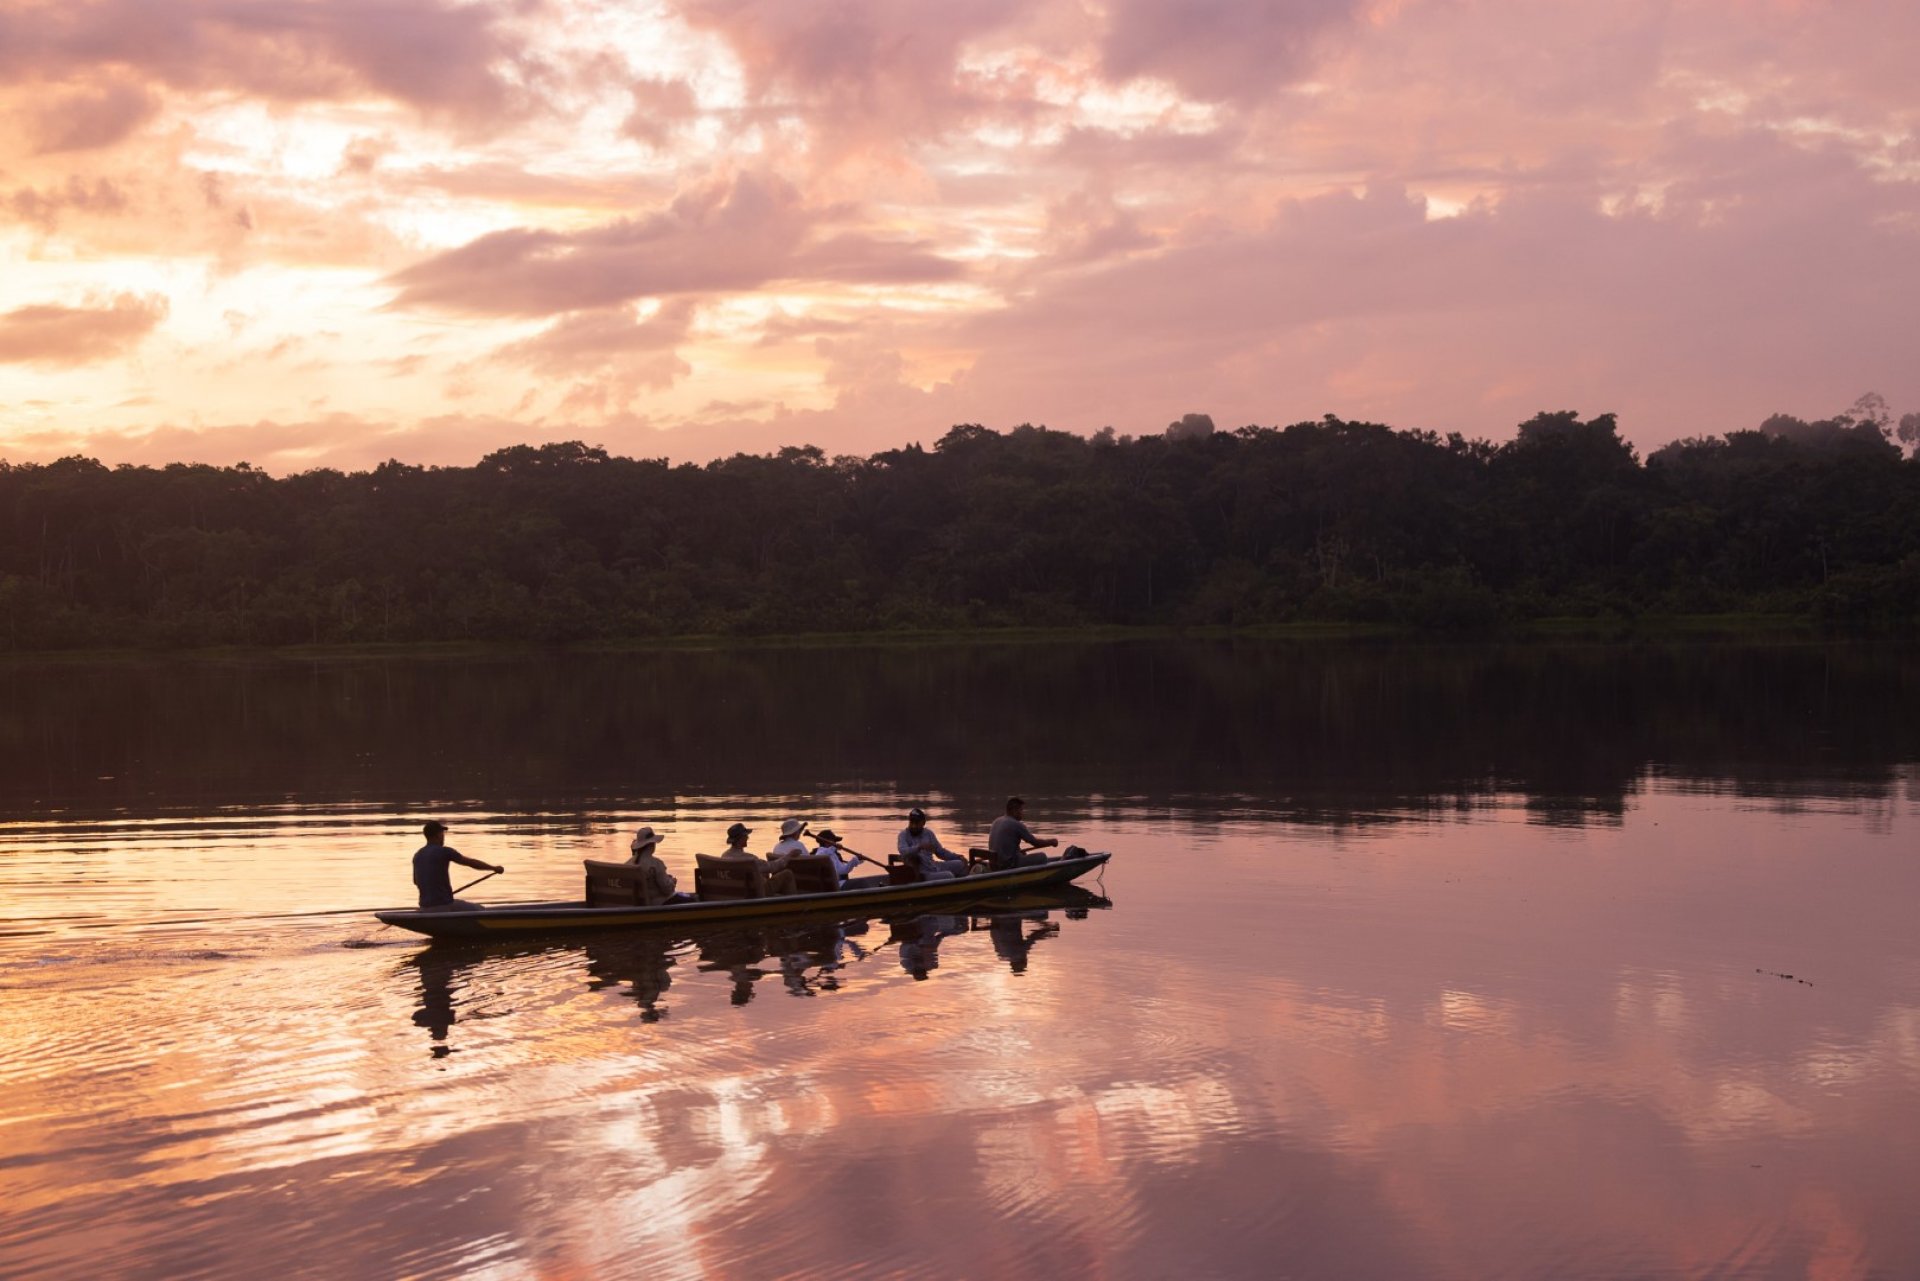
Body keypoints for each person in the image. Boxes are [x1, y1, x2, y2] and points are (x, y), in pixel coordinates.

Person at [412, 820, 503, 911]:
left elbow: (416, 881)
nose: (443, 837)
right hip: (444, 905)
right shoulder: (445, 851)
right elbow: (471, 863)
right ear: (438, 835)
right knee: (481, 909)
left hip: (424, 907)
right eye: (442, 833)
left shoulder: (417, 855)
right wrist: (494, 868)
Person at [720, 821, 797, 896]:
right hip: (757, 891)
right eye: (746, 836)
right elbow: (773, 866)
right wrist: (789, 855)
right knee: (787, 874)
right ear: (741, 839)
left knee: (765, 874)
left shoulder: (724, 856)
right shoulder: (750, 860)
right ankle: (794, 904)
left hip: (740, 892)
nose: (748, 837)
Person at [986, 796, 1060, 870]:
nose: (1022, 813)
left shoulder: (996, 821)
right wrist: (1051, 842)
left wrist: (1019, 852)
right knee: (1042, 857)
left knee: (1023, 854)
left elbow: (1007, 844)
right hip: (1008, 865)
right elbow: (1035, 843)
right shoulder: (1016, 824)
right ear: (1014, 811)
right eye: (1021, 810)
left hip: (994, 864)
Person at [897, 807, 968, 880]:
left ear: (923, 823)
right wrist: (919, 847)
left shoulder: (928, 833)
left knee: (961, 864)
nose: (913, 826)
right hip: (922, 873)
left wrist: (958, 857)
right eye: (911, 822)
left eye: (917, 823)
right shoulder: (903, 835)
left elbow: (941, 852)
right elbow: (903, 851)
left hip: (933, 865)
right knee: (949, 876)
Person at [624, 825, 682, 906]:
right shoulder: (656, 864)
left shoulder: (628, 864)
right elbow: (667, 889)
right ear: (651, 845)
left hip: (638, 904)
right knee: (691, 900)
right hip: (657, 904)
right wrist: (672, 882)